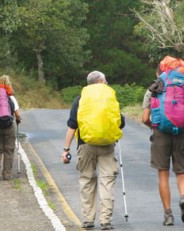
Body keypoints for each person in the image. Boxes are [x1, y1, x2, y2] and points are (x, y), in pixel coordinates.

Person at [62, 71, 125, 230]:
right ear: (101, 81)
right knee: (107, 181)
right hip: (107, 146)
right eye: (105, 81)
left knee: (87, 180)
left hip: (86, 144)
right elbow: (121, 122)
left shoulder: (81, 99)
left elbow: (72, 126)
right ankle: (105, 220)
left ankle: (88, 219)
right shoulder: (109, 97)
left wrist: (66, 149)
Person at [142, 68, 184, 226]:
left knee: (163, 175)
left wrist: (154, 126)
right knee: (181, 173)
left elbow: (145, 118)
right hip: (182, 133)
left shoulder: (153, 89)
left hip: (160, 133)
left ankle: (168, 215)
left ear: (158, 73)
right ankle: (183, 197)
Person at [0, 75, 21, 180]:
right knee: (9, 150)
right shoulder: (11, 97)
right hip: (8, 126)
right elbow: (17, 114)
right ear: (8, 84)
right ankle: (7, 174)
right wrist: (18, 120)